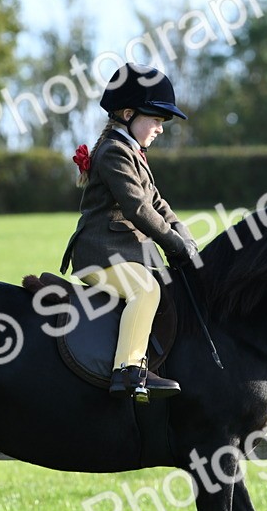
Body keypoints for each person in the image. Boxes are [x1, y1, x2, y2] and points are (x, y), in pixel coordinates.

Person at [60, 63, 198, 402]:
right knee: (146, 290)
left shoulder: (134, 153)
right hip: (99, 255)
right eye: (155, 119)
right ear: (127, 113)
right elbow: (139, 208)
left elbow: (158, 203)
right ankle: (128, 370)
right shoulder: (113, 152)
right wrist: (175, 246)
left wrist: (187, 238)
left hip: (124, 254)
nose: (160, 129)